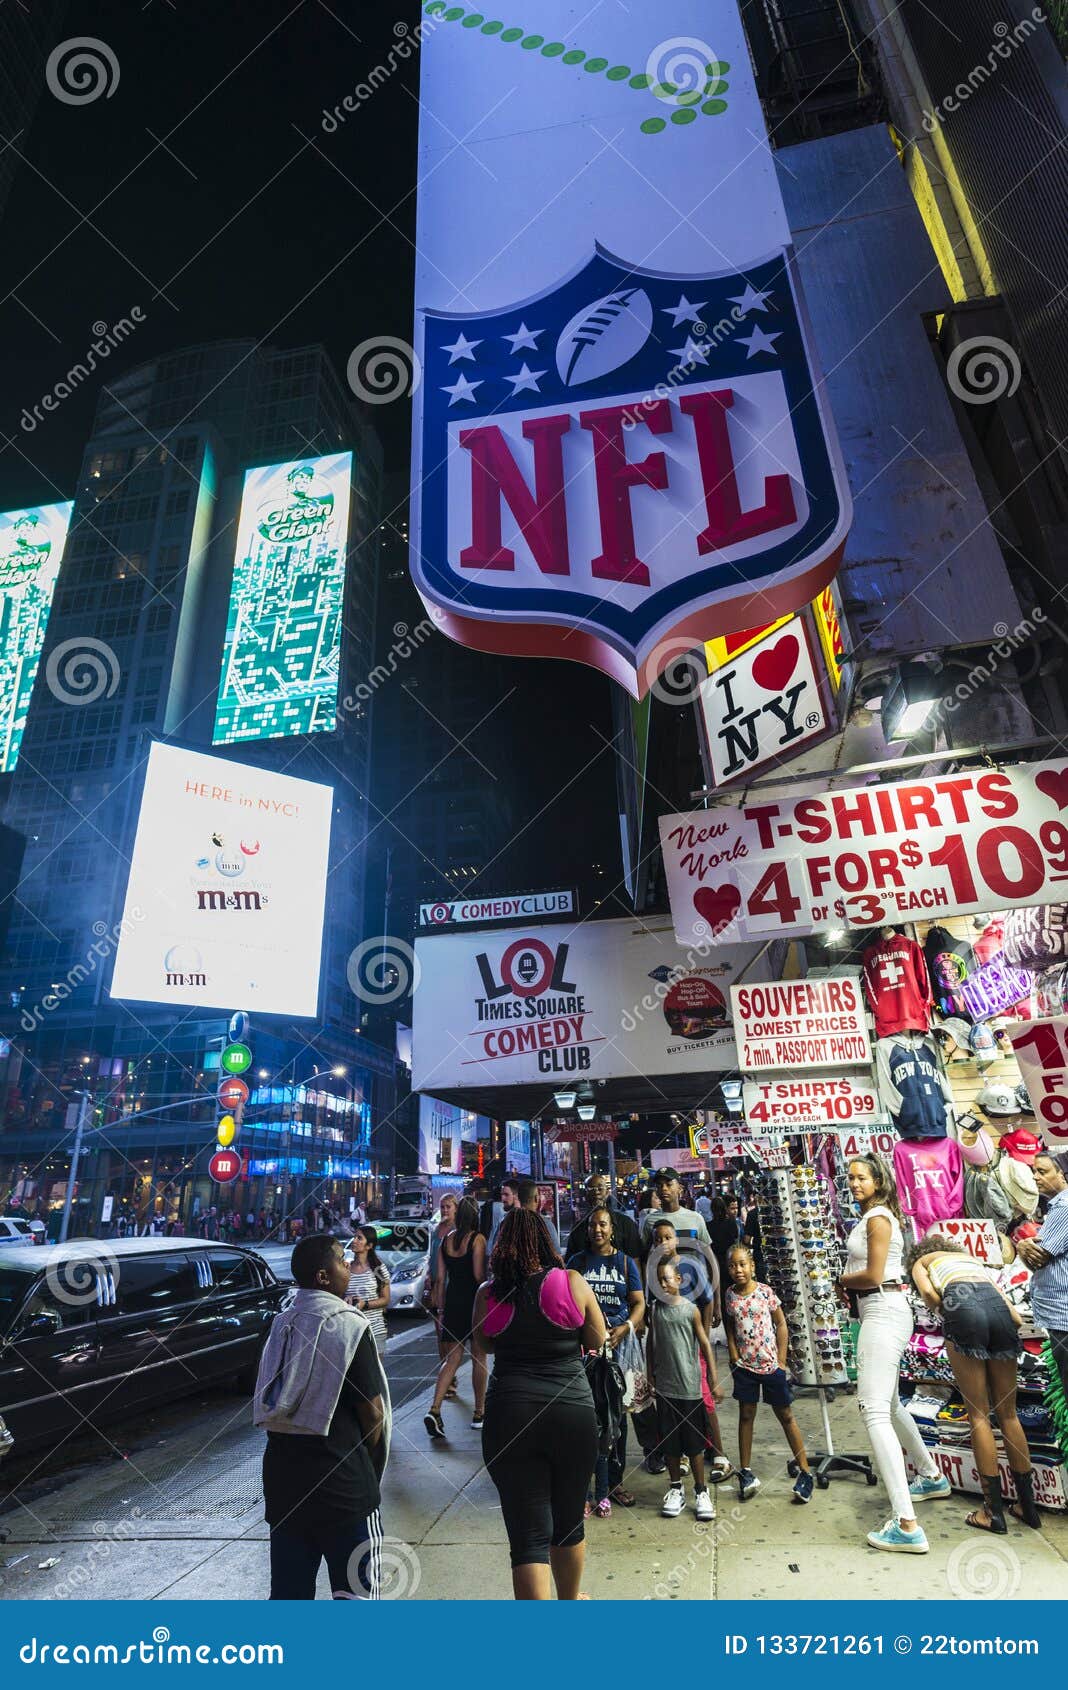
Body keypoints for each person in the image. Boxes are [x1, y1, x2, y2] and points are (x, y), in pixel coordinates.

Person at [474, 1208, 606, 1599]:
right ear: (547, 1241)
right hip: (572, 1412)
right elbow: (597, 1340)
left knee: (528, 1536)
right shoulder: (571, 1282)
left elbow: (482, 1344)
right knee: (568, 1521)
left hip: (509, 1414)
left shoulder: (489, 1293)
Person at [253, 1233, 389, 1599]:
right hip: (343, 1489)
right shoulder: (349, 1326)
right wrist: (368, 1471)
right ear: (324, 1277)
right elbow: (373, 1415)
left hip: (285, 1490)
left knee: (289, 1597)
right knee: (356, 1600)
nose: (348, 1265)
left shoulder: (279, 1325)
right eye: (341, 1261)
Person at [838, 1156, 946, 1553]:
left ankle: (906, 1524)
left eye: (861, 1177)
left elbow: (873, 1274)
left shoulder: (879, 1218)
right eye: (850, 1178)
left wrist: (839, 1279)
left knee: (873, 1409)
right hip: (880, 1309)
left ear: (879, 1180)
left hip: (882, 1307)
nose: (853, 1183)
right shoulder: (874, 1216)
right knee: (891, 1405)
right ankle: (932, 1475)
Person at [908, 1234, 1039, 1530]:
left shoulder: (921, 1260)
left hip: (960, 1306)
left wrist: (953, 1318)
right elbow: (1016, 1319)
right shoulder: (972, 1263)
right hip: (998, 1311)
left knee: (978, 1415)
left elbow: (929, 1295)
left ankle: (992, 1513)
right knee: (1008, 1414)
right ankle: (1027, 1508)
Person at [566, 1204, 645, 1513]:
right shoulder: (576, 1263)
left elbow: (639, 1303)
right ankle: (584, 1487)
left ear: (612, 1229)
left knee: (618, 1418)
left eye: (603, 1225)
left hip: (620, 1350)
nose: (597, 1230)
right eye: (592, 1225)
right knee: (585, 1417)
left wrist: (627, 1327)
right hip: (585, 1353)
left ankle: (614, 1481)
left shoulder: (626, 1264)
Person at [724, 1242, 814, 1504]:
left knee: (785, 1415)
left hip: (771, 1365)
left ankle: (806, 1472)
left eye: (743, 1264)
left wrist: (782, 1359)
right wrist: (733, 1353)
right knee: (746, 1416)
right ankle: (747, 1472)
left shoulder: (765, 1292)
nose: (738, 1269)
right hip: (745, 1368)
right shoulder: (730, 1295)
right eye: (733, 1265)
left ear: (752, 1266)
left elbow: (781, 1323)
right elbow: (730, 1325)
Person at [647, 1255, 722, 1521]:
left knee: (695, 1445)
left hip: (690, 1387)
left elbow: (704, 1344)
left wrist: (713, 1381)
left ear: (679, 1280)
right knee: (670, 1444)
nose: (663, 1285)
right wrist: (649, 1375)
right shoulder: (655, 1310)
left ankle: (701, 1492)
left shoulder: (690, 1309)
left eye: (666, 1279)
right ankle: (676, 1489)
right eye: (658, 1281)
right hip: (666, 1389)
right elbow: (651, 1344)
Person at [424, 1196, 487, 1435]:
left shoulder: (446, 1240)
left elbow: (440, 1279)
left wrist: (439, 1310)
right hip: (473, 1304)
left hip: (452, 1303)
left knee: (451, 1359)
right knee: (479, 1357)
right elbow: (479, 1276)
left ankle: (435, 1409)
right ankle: (479, 1413)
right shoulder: (477, 1240)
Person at [1016, 1152, 1068, 1405]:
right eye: (1034, 1171)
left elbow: (1039, 1258)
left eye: (1043, 1171)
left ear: (1063, 1175)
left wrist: (1022, 1246)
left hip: (1064, 1317)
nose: (1035, 1177)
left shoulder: (1064, 1206)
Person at [425, 1193, 460, 1400]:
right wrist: (429, 1275)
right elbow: (432, 1257)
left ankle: (451, 1378)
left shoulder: (458, 1231)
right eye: (442, 1207)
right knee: (439, 1334)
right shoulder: (437, 1230)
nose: (445, 1210)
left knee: (449, 1335)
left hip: (451, 1287)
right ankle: (447, 1376)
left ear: (455, 1208)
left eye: (448, 1207)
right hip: (437, 1286)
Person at [566, 1173, 642, 1261]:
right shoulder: (578, 1228)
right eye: (591, 1188)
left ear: (607, 1193)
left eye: (600, 1188)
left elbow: (635, 1260)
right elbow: (570, 1264)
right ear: (585, 1194)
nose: (596, 1192)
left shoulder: (625, 1223)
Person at [346, 1226, 391, 1355]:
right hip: (351, 1331)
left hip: (375, 1329)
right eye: (354, 1236)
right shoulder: (345, 1268)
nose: (354, 1240)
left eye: (359, 1238)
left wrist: (364, 1304)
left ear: (369, 1246)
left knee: (375, 1373)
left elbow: (386, 1299)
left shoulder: (378, 1268)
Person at [639, 1170, 712, 1250]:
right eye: (659, 1185)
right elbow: (644, 1252)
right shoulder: (649, 1220)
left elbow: (707, 1249)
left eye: (669, 1184)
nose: (664, 1188)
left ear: (679, 1188)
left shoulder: (696, 1218)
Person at [518, 1180, 561, 1253]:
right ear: (536, 1198)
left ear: (519, 1198)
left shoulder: (507, 1221)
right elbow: (556, 1255)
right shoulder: (545, 1223)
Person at [486, 1178, 520, 1254]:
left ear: (517, 1196)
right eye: (502, 1194)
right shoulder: (507, 1218)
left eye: (506, 1195)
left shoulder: (518, 1219)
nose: (502, 1198)